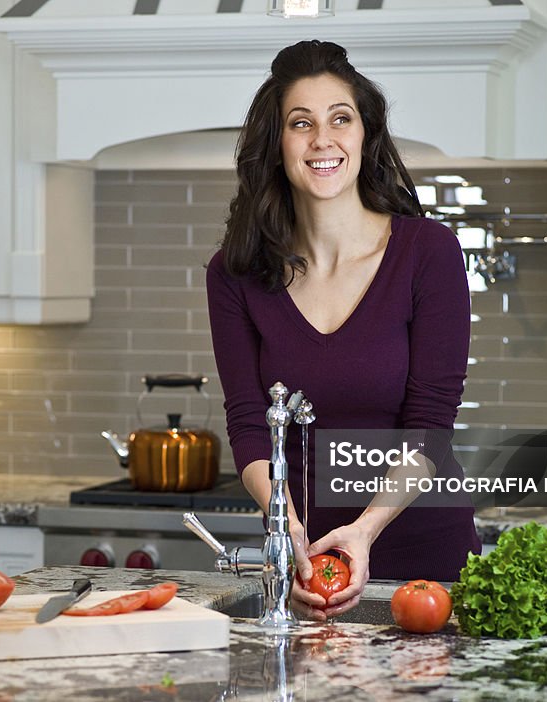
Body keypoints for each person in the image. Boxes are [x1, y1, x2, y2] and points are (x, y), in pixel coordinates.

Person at [206, 39, 482, 621]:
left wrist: (365, 529)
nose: (321, 140)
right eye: (300, 123)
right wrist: (286, 527)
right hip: (308, 569)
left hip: (424, 561)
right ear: (277, 146)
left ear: (365, 135)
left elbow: (431, 426)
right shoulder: (235, 274)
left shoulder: (427, 253)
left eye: (340, 119)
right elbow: (248, 421)